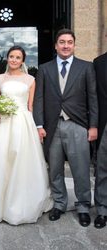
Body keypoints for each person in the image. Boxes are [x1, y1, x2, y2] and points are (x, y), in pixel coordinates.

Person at [0, 46, 53, 225]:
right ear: (7, 58)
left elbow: (31, 105)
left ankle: (20, 203)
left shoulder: (30, 80)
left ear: (23, 61)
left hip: (22, 123)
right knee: (2, 159)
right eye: (11, 56)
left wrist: (36, 127)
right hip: (3, 124)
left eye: (18, 57)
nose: (14, 60)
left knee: (21, 159)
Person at [33, 29, 98, 227]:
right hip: (52, 127)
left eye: (69, 42)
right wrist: (39, 124)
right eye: (62, 42)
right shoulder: (44, 68)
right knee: (55, 169)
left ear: (74, 45)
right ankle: (59, 203)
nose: (66, 45)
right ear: (55, 45)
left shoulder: (86, 67)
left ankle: (83, 206)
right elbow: (39, 98)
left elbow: (92, 98)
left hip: (78, 125)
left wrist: (93, 126)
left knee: (80, 169)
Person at [93, 52, 107, 228]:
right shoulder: (98, 63)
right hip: (105, 123)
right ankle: (102, 210)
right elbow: (93, 95)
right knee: (102, 168)